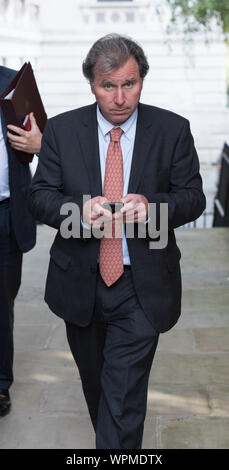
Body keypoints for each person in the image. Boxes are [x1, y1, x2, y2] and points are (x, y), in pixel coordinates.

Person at [29, 34, 206, 449]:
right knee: (100, 391)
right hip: (80, 283)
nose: (120, 97)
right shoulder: (61, 130)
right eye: (108, 86)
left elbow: (193, 197)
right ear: (92, 84)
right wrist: (76, 210)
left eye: (130, 84)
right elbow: (40, 196)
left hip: (142, 285)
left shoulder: (173, 129)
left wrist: (154, 207)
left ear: (142, 80)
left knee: (122, 398)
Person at [0, 64, 42, 417]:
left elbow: (43, 141)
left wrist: (37, 142)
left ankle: (0, 384)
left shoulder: (14, 82)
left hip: (5, 213)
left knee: (1, 302)